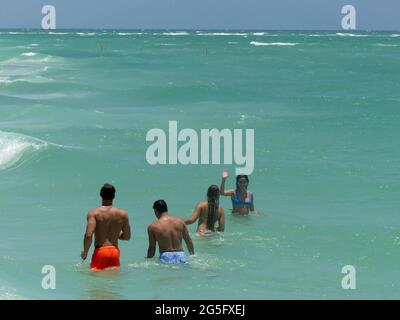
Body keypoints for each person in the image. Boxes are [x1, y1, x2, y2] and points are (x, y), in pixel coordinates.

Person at [80, 184, 131, 271]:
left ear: (100, 194)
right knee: (113, 281)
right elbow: (127, 237)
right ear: (114, 196)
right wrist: (115, 234)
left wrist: (85, 253)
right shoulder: (123, 214)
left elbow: (88, 235)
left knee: (97, 282)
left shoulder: (94, 213)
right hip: (114, 252)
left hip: (100, 251)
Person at [147, 200, 194, 264]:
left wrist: (148, 261)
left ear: (155, 211)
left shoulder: (153, 227)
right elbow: (189, 241)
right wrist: (193, 255)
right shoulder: (180, 222)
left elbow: (152, 248)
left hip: (165, 256)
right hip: (181, 255)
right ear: (167, 209)